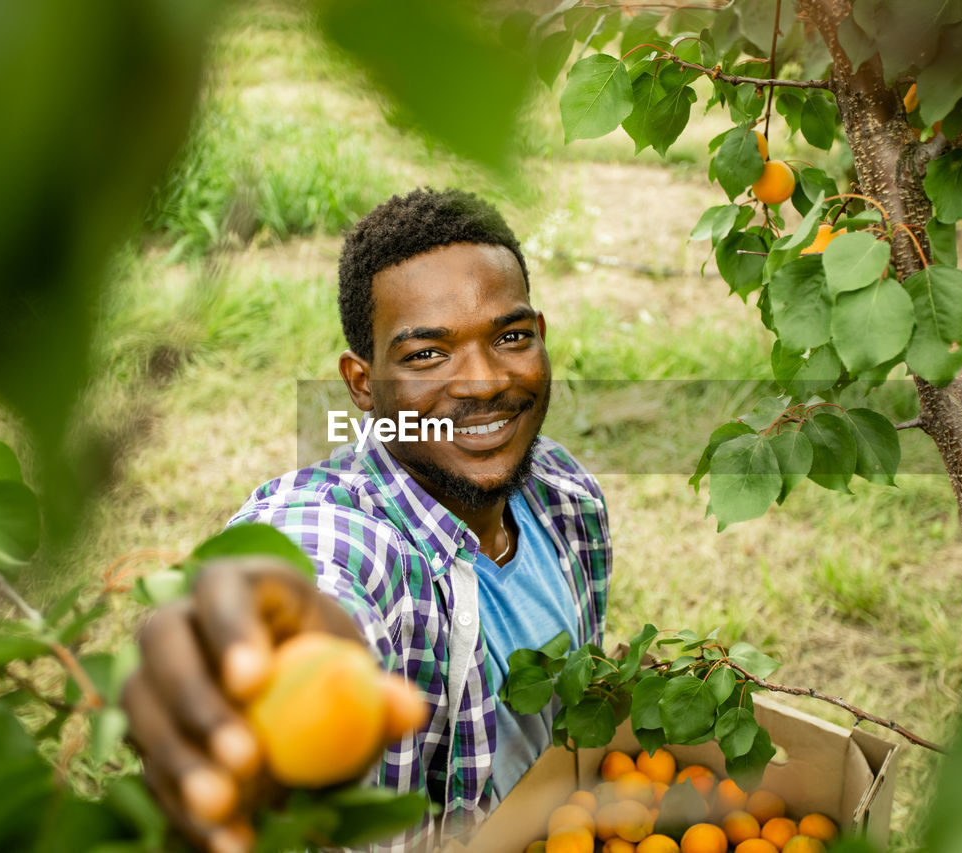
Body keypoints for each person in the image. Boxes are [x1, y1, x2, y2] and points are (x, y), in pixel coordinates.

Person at [122, 188, 612, 852]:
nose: (485, 382)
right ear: (362, 384)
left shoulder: (566, 498)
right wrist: (236, 659)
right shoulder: (353, 540)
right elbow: (313, 572)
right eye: (427, 355)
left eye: (510, 336)